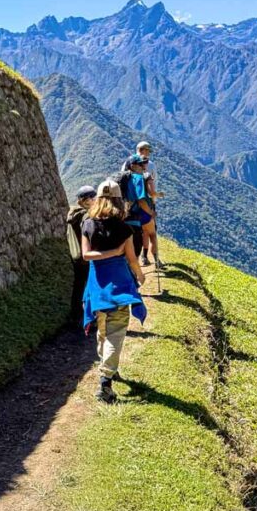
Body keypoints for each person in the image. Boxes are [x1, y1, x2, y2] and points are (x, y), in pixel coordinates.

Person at [81, 179, 147, 404]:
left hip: (97, 286)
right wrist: (139, 274)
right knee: (116, 332)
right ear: (120, 201)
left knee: (102, 329)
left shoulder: (87, 224)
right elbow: (131, 258)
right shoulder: (124, 229)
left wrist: (105, 254)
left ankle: (109, 367)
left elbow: (86, 255)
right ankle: (105, 383)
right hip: (118, 286)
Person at [66, 185, 96, 326]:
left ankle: (75, 315)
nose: (95, 200)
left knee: (79, 284)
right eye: (93, 197)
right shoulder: (86, 216)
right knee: (90, 286)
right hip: (86, 255)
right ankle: (89, 317)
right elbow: (89, 236)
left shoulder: (73, 214)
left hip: (75, 255)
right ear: (87, 200)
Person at [135, 140, 165, 269]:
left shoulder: (129, 164)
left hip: (132, 206)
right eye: (147, 150)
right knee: (152, 232)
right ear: (142, 150)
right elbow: (151, 191)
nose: (148, 153)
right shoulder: (149, 168)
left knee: (142, 232)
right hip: (147, 204)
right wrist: (158, 195)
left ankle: (143, 257)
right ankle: (156, 259)